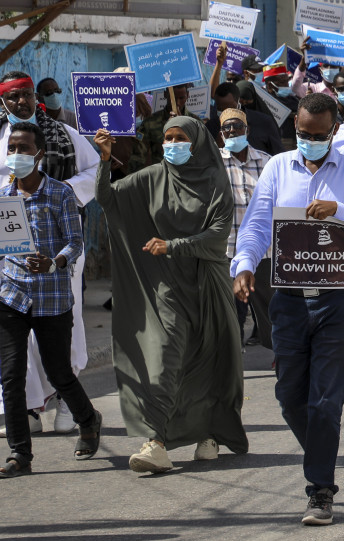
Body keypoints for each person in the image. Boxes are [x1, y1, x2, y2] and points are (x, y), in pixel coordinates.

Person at [231, 92, 344, 526]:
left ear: (333, 132)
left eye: (317, 135)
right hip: (289, 301)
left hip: (339, 301)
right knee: (288, 397)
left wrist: (342, 212)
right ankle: (322, 451)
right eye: (302, 133)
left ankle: (319, 488)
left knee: (324, 402)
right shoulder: (278, 167)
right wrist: (245, 265)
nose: (308, 140)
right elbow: (258, 224)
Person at [94, 117, 247, 474]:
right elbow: (108, 200)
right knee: (164, 356)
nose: (172, 144)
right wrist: (104, 161)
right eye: (168, 138)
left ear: (195, 143)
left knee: (208, 359)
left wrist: (174, 245)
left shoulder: (214, 179)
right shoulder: (151, 176)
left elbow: (217, 233)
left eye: (180, 138)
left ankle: (207, 432)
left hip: (206, 280)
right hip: (165, 284)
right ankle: (156, 442)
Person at [0, 123, 101, 477]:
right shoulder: (2, 196)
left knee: (58, 371)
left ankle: (88, 419)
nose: (17, 155)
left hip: (51, 296)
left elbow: (75, 242)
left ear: (39, 154)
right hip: (11, 296)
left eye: (24, 149)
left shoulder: (59, 194)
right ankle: (19, 455)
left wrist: (54, 261)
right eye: (12, 147)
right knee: (10, 377)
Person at [219, 108, 274, 348]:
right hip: (227, 251)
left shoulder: (267, 162)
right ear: (221, 134)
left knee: (271, 310)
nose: (232, 131)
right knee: (231, 313)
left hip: (265, 252)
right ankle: (232, 360)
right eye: (226, 128)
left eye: (237, 126)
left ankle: (280, 353)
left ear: (247, 130)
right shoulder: (213, 164)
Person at [211, 82, 283, 157]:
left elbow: (278, 154)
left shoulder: (263, 122)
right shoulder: (212, 126)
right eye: (221, 109)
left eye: (230, 108)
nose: (226, 112)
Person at [139, 84, 192, 165]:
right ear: (165, 95)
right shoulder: (150, 123)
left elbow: (201, 154)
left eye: (181, 98)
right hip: (161, 174)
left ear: (187, 96)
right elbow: (139, 156)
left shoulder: (195, 123)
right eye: (173, 98)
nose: (177, 103)